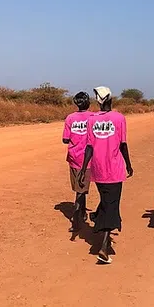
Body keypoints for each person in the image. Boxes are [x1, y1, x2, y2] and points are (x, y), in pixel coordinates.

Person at [78, 86, 133, 264]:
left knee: (106, 199)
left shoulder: (92, 120)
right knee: (112, 205)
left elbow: (89, 147)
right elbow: (123, 144)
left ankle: (98, 217)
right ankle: (103, 246)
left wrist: (84, 169)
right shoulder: (119, 118)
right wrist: (129, 165)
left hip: (98, 169)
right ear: (111, 98)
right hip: (114, 169)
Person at [62, 91, 93, 232]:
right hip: (89, 158)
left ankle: (80, 213)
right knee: (81, 190)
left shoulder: (70, 118)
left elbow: (65, 139)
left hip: (74, 157)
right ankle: (77, 216)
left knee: (79, 188)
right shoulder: (94, 117)